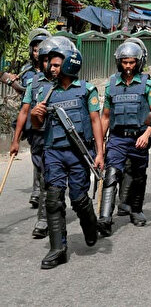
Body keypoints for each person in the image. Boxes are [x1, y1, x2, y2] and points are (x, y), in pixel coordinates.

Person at [29, 44, 104, 269]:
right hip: (53, 152)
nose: (51, 68)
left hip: (79, 153)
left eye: (56, 65)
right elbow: (37, 125)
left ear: (69, 65)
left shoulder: (86, 90)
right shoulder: (46, 92)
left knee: (79, 198)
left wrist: (100, 153)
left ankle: (90, 225)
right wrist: (34, 115)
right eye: (50, 65)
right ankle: (58, 249)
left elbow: (95, 121)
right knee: (53, 199)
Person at [97, 42, 151, 237]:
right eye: (124, 62)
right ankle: (105, 217)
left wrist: (147, 134)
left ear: (138, 62)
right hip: (117, 138)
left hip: (139, 138)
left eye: (131, 62)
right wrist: (100, 144)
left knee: (138, 176)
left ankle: (136, 210)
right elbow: (105, 117)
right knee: (111, 174)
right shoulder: (111, 85)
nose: (128, 66)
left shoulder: (147, 84)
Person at [9, 30, 53, 237]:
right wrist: (15, 140)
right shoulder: (28, 72)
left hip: (56, 132)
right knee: (41, 165)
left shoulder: (64, 78)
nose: (38, 55)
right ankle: (43, 216)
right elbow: (24, 102)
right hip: (33, 124)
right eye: (36, 51)